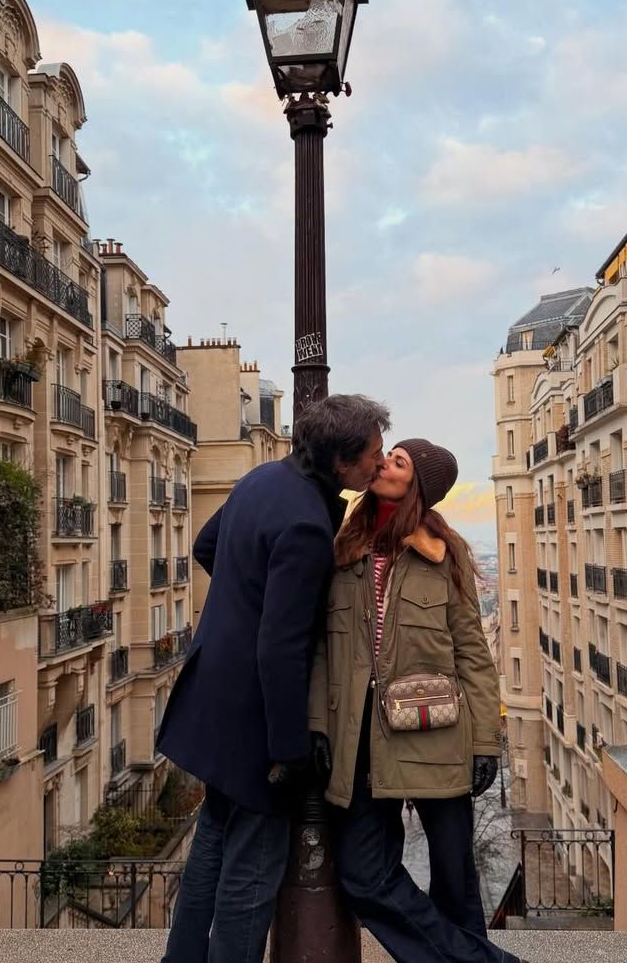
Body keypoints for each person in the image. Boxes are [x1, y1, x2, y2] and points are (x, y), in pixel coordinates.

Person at [157, 393, 391, 963]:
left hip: (212, 689)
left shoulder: (262, 479)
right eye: (373, 455)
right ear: (341, 461)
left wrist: (248, 591)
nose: (379, 465)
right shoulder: (308, 525)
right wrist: (289, 750)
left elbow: (206, 545)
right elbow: (282, 646)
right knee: (253, 870)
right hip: (255, 718)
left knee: (212, 839)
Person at [308, 439, 518, 963]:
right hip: (357, 742)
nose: (382, 464)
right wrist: (317, 726)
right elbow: (319, 652)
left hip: (437, 738)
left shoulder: (445, 557)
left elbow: (472, 653)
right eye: (386, 456)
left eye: (397, 461)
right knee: (364, 876)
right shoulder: (341, 548)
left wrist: (485, 743)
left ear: (419, 486)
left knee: (454, 882)